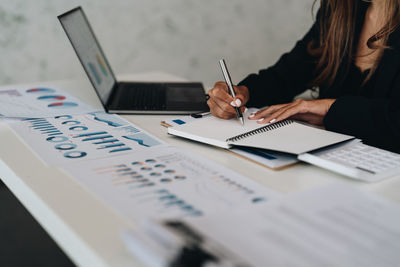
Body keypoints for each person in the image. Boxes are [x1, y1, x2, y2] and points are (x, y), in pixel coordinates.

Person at [207, 0, 400, 153]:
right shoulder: (341, 9)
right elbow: (285, 76)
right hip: (335, 160)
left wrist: (329, 108)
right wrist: (241, 93)